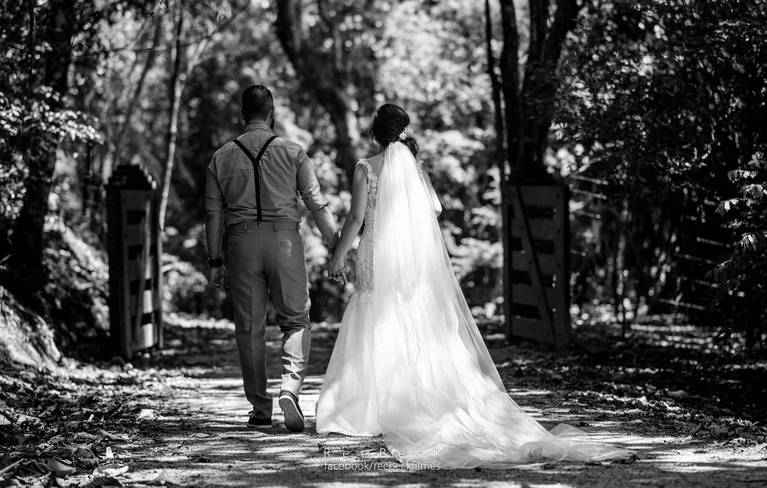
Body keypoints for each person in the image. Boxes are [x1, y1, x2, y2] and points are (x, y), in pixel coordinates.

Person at [315, 103, 625, 468]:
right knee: (409, 313)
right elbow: (435, 209)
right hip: (412, 258)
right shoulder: (414, 167)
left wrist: (338, 256)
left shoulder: (366, 168)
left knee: (374, 312)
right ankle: (416, 400)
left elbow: (356, 217)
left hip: (376, 253)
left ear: (374, 134)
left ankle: (367, 409)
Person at [205, 85, 338, 432]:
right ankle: (289, 388)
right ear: (271, 112)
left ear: (242, 115)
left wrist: (215, 261)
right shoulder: (293, 152)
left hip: (241, 244)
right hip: (285, 242)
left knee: (249, 328)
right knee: (295, 320)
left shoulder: (221, 157)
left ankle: (260, 408)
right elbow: (316, 204)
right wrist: (338, 247)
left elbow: (213, 215)